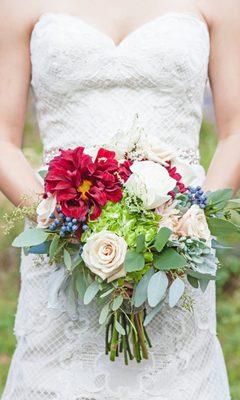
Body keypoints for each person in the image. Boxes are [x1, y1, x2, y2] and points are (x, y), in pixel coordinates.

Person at [1, 0, 240, 398]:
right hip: (60, 249)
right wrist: (57, 222)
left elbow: (236, 132)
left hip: (174, 248)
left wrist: (188, 220)